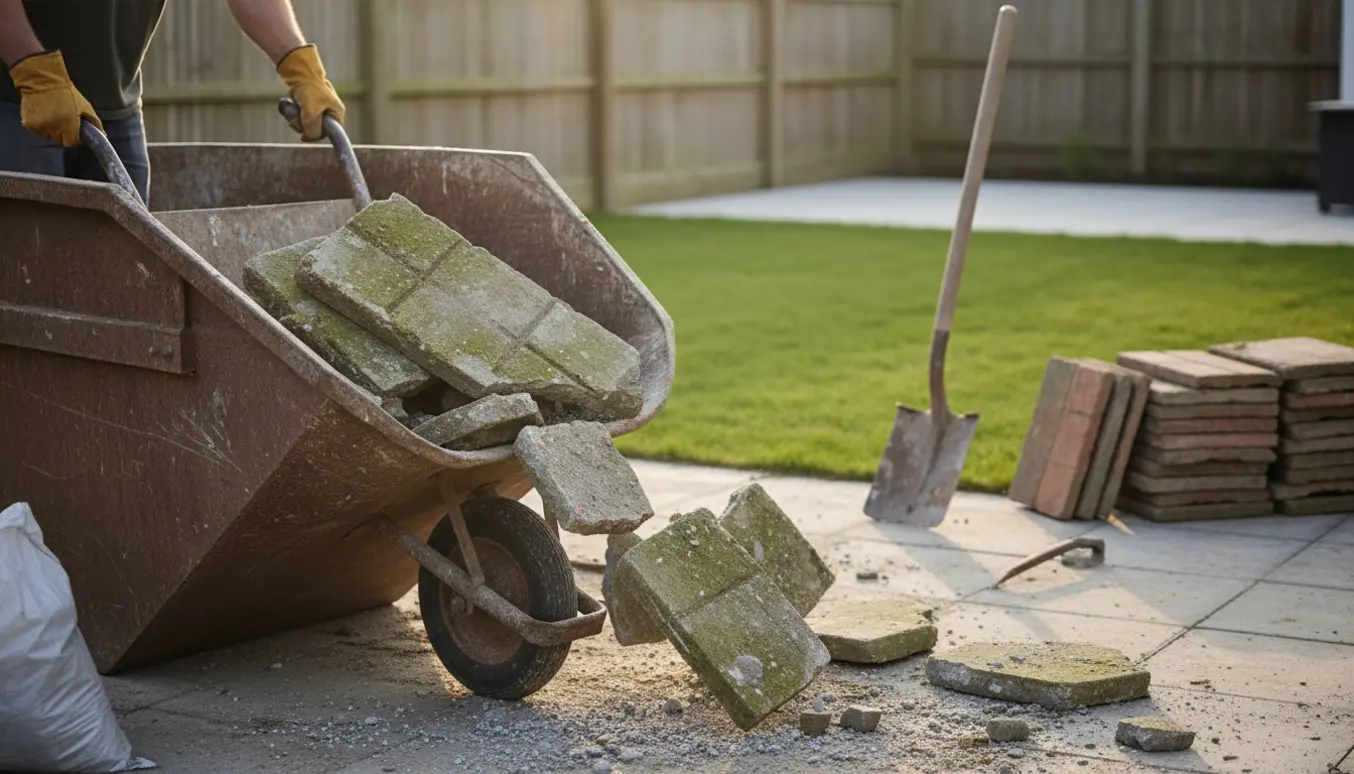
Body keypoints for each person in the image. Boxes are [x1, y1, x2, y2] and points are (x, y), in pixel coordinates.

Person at [0, 0, 346, 205]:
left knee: (120, 282)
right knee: (22, 278)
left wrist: (302, 69)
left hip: (116, 111)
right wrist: (33, 72)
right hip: (15, 103)